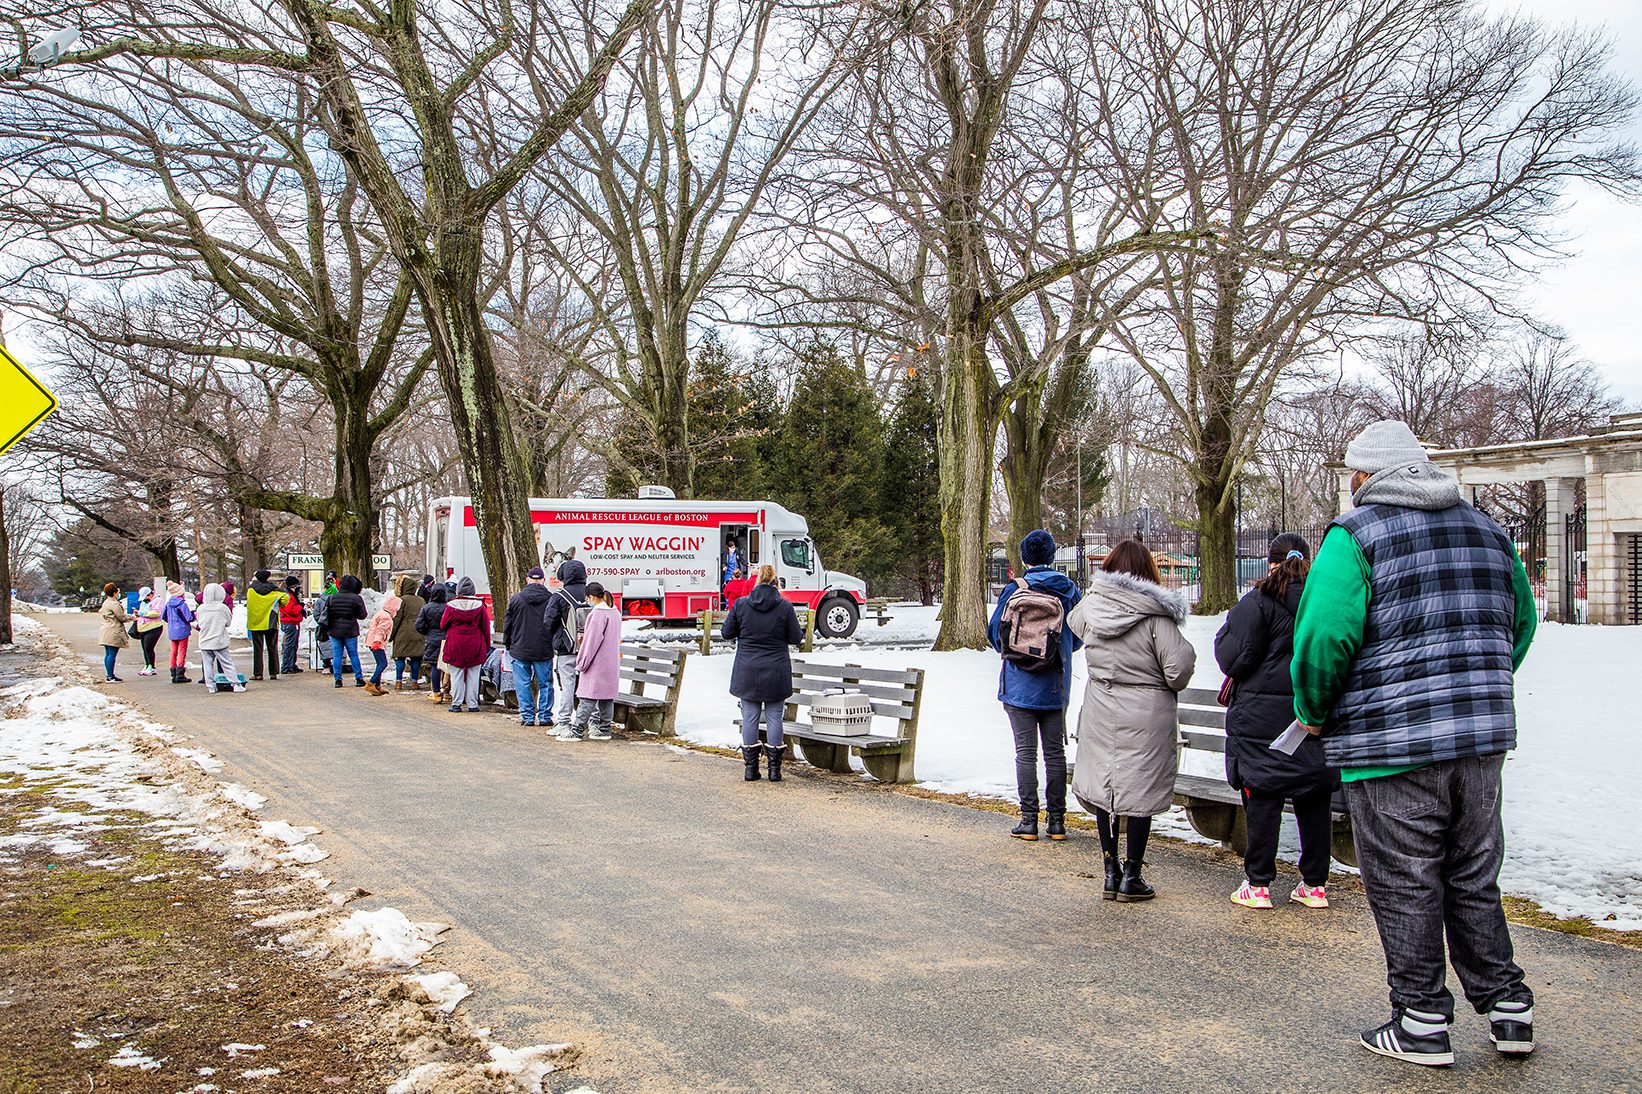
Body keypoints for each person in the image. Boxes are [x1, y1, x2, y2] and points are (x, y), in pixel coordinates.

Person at [1292, 420, 1538, 1067]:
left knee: (1406, 880)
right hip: (1480, 740)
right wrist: (1479, 686)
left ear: (1365, 478)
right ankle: (1507, 1003)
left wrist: (1314, 709)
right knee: (1473, 872)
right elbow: (1520, 623)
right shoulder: (1489, 531)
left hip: (1390, 743)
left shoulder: (1356, 536)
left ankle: (1421, 1018)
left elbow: (1323, 636)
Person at [1068, 540, 1196, 902]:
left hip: (1100, 707)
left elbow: (1075, 626)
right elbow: (1178, 671)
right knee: (1139, 788)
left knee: (1104, 788)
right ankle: (1133, 875)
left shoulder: (1091, 608)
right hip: (1146, 713)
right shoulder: (1156, 617)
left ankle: (1110, 871)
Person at [1215, 533, 1337, 910]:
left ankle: (1259, 884)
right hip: (1311, 711)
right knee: (1315, 795)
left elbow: (1235, 660)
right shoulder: (1325, 602)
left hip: (1261, 719)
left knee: (1263, 795)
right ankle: (1314, 884)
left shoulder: (1256, 602)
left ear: (1270, 561)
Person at [987, 530, 1082, 840]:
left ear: (1025, 557)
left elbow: (994, 633)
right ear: (1052, 556)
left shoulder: (1014, 589)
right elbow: (1079, 635)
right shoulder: (1068, 590)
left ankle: (1028, 820)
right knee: (1055, 754)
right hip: (1055, 684)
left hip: (1018, 685)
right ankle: (1057, 822)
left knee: (1025, 753)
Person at [721, 563, 804, 780]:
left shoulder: (741, 604)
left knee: (750, 716)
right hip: (776, 667)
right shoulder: (784, 606)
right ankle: (775, 771)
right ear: (775, 581)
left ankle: (750, 769)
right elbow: (796, 638)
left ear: (756, 581)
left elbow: (726, 633)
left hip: (747, 667)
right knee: (775, 716)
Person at [557, 581, 619, 742]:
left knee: (587, 696)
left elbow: (592, 642)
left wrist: (582, 662)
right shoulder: (615, 612)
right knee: (606, 697)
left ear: (591, 597)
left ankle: (577, 730)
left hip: (597, 663)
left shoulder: (597, 614)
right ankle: (604, 729)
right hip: (611, 662)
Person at [503, 565, 556, 727]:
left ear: (527, 580)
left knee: (523, 683)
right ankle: (545, 716)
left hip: (520, 648)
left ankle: (527, 716)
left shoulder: (516, 599)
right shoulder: (551, 599)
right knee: (545, 683)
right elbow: (554, 623)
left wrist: (508, 643)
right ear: (543, 580)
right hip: (543, 648)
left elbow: (508, 624)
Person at [544, 559, 589, 729]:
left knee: (567, 685)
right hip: (589, 649)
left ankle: (564, 721)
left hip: (566, 648)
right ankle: (590, 721)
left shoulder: (559, 596)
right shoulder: (590, 594)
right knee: (588, 685)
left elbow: (549, 622)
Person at [440, 577, 492, 713]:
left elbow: (443, 624)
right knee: (473, 675)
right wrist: (486, 645)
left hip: (455, 643)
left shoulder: (451, 606)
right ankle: (472, 704)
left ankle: (456, 703)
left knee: (456, 674)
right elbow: (485, 628)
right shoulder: (480, 606)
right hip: (475, 643)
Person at [194, 583, 245, 692]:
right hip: (219, 640)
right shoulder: (223, 608)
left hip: (205, 640)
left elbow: (199, 622)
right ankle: (235, 684)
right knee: (227, 663)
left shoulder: (201, 609)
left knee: (208, 665)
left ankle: (211, 686)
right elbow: (228, 623)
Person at [325, 574, 370, 688]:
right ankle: (359, 678)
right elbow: (362, 615)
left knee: (337, 655)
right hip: (350, 629)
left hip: (334, 629)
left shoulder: (332, 598)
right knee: (353, 654)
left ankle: (338, 680)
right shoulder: (356, 598)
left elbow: (327, 613)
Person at [244, 569, 285, 682]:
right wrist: (278, 604)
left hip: (255, 622)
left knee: (258, 649)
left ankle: (258, 674)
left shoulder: (251, 590)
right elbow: (286, 598)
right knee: (272, 648)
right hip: (270, 622)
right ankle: (273, 672)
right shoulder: (273, 590)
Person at [390, 574, 427, 691]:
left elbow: (396, 619)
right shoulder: (421, 600)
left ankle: (398, 682)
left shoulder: (401, 600)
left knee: (400, 658)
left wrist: (391, 635)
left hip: (402, 633)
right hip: (418, 633)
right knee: (415, 658)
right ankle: (414, 682)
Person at [416, 583, 450, 704]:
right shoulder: (448, 607)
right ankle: (447, 692)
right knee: (447, 667)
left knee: (435, 667)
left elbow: (419, 625)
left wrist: (427, 632)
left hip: (432, 639)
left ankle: (436, 692)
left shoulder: (426, 608)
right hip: (446, 639)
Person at [362, 591, 399, 696]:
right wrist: (377, 641)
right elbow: (381, 630)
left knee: (379, 663)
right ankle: (372, 683)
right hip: (376, 643)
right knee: (383, 663)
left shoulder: (381, 613)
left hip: (372, 641)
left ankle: (377, 686)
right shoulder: (387, 617)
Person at [161, 581, 197, 684]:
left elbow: (164, 616)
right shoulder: (182, 604)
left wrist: (171, 622)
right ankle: (180, 673)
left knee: (173, 651)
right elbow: (188, 618)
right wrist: (193, 614)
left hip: (172, 630)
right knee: (182, 651)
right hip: (182, 630)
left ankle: (173, 672)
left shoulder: (168, 604)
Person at [97, 582, 130, 682]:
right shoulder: (114, 604)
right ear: (115, 593)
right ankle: (110, 676)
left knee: (108, 654)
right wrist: (132, 617)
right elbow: (122, 617)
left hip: (105, 629)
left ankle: (109, 674)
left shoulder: (106, 602)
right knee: (112, 654)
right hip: (113, 630)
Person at [134, 582, 165, 676]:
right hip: (143, 627)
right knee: (144, 648)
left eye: (146, 597)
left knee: (149, 647)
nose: (146, 599)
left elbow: (156, 613)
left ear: (150, 594)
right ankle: (147, 664)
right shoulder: (144, 602)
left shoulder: (158, 601)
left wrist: (142, 613)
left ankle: (152, 666)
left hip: (154, 627)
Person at [278, 576, 307, 674]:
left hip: (293, 622)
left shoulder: (290, 595)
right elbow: (290, 610)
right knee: (290, 645)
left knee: (293, 645)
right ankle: (286, 666)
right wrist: (300, 607)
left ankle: (291, 664)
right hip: (290, 622)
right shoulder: (289, 596)